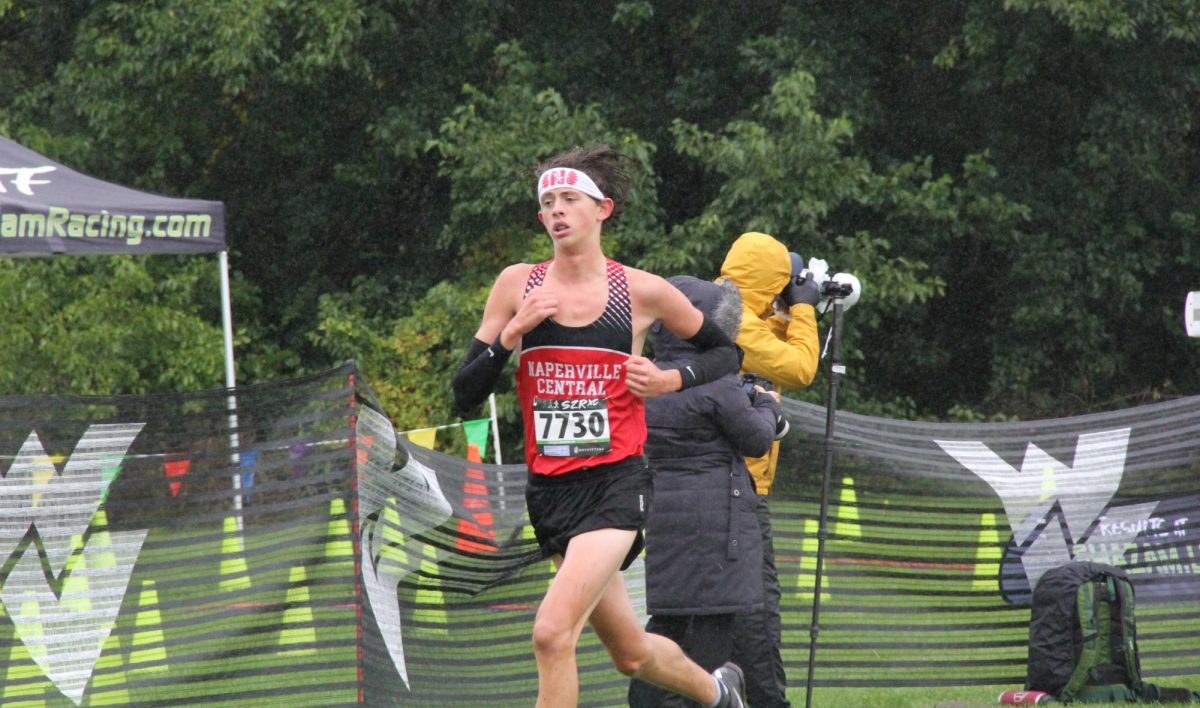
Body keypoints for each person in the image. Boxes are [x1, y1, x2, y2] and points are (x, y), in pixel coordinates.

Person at [451, 146, 748, 708]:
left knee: (550, 632)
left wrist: (669, 379)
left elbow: (724, 354)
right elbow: (466, 392)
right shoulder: (518, 285)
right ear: (541, 219)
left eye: (570, 199)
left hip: (617, 482)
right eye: (547, 202)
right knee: (630, 653)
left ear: (602, 209)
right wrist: (513, 331)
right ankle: (719, 691)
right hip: (551, 492)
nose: (557, 210)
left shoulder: (640, 290)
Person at [629, 275, 786, 708]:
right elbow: (755, 439)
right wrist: (767, 405)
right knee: (709, 648)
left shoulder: (643, 379)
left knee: (666, 627)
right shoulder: (716, 383)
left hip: (663, 519)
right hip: (719, 526)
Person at [719, 231, 822, 708]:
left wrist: (793, 310)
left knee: (714, 616)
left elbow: (763, 347)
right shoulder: (736, 324)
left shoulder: (720, 308)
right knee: (759, 614)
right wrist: (802, 309)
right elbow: (799, 368)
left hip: (724, 485)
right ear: (767, 282)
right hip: (738, 488)